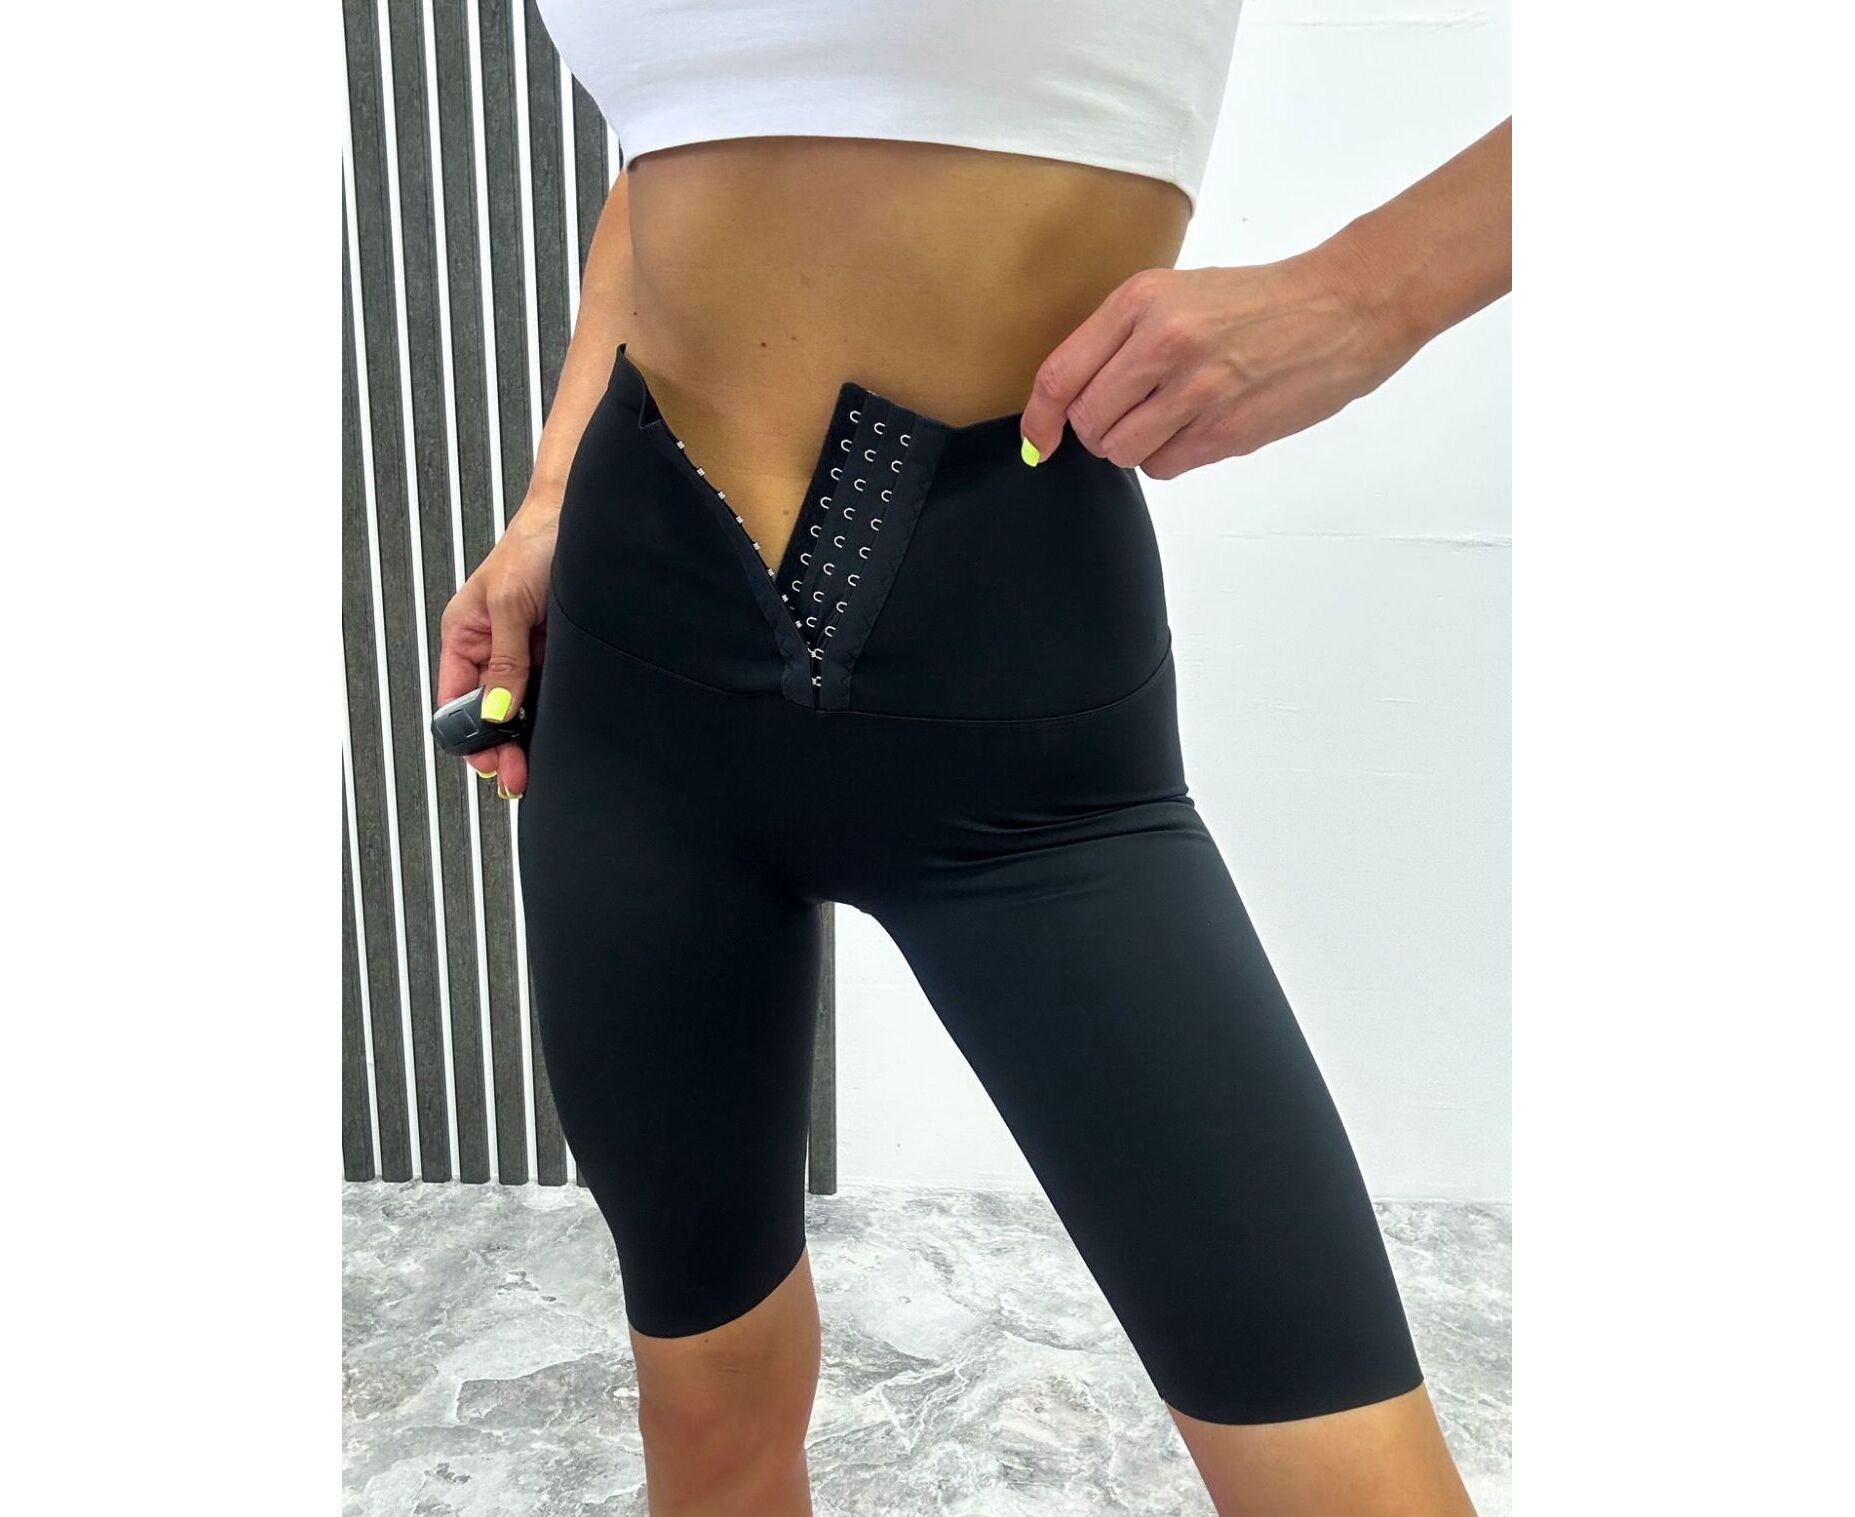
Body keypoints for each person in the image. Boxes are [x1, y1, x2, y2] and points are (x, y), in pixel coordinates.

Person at [436, 4, 1509, 1512]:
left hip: (1020, 709)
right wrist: (551, 497)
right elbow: (672, 147)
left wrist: (1364, 294)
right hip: (634, 678)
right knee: (705, 1409)